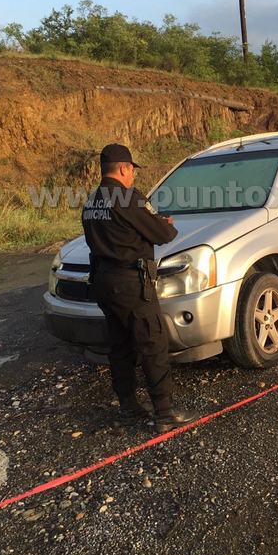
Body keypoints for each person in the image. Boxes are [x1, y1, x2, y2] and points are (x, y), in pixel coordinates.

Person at [82, 143, 198, 430]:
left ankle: (128, 406)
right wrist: (162, 223)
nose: (133, 175)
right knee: (152, 344)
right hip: (131, 282)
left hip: (103, 280)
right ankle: (164, 413)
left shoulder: (92, 200)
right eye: (132, 169)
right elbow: (163, 234)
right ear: (123, 168)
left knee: (120, 346)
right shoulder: (128, 197)